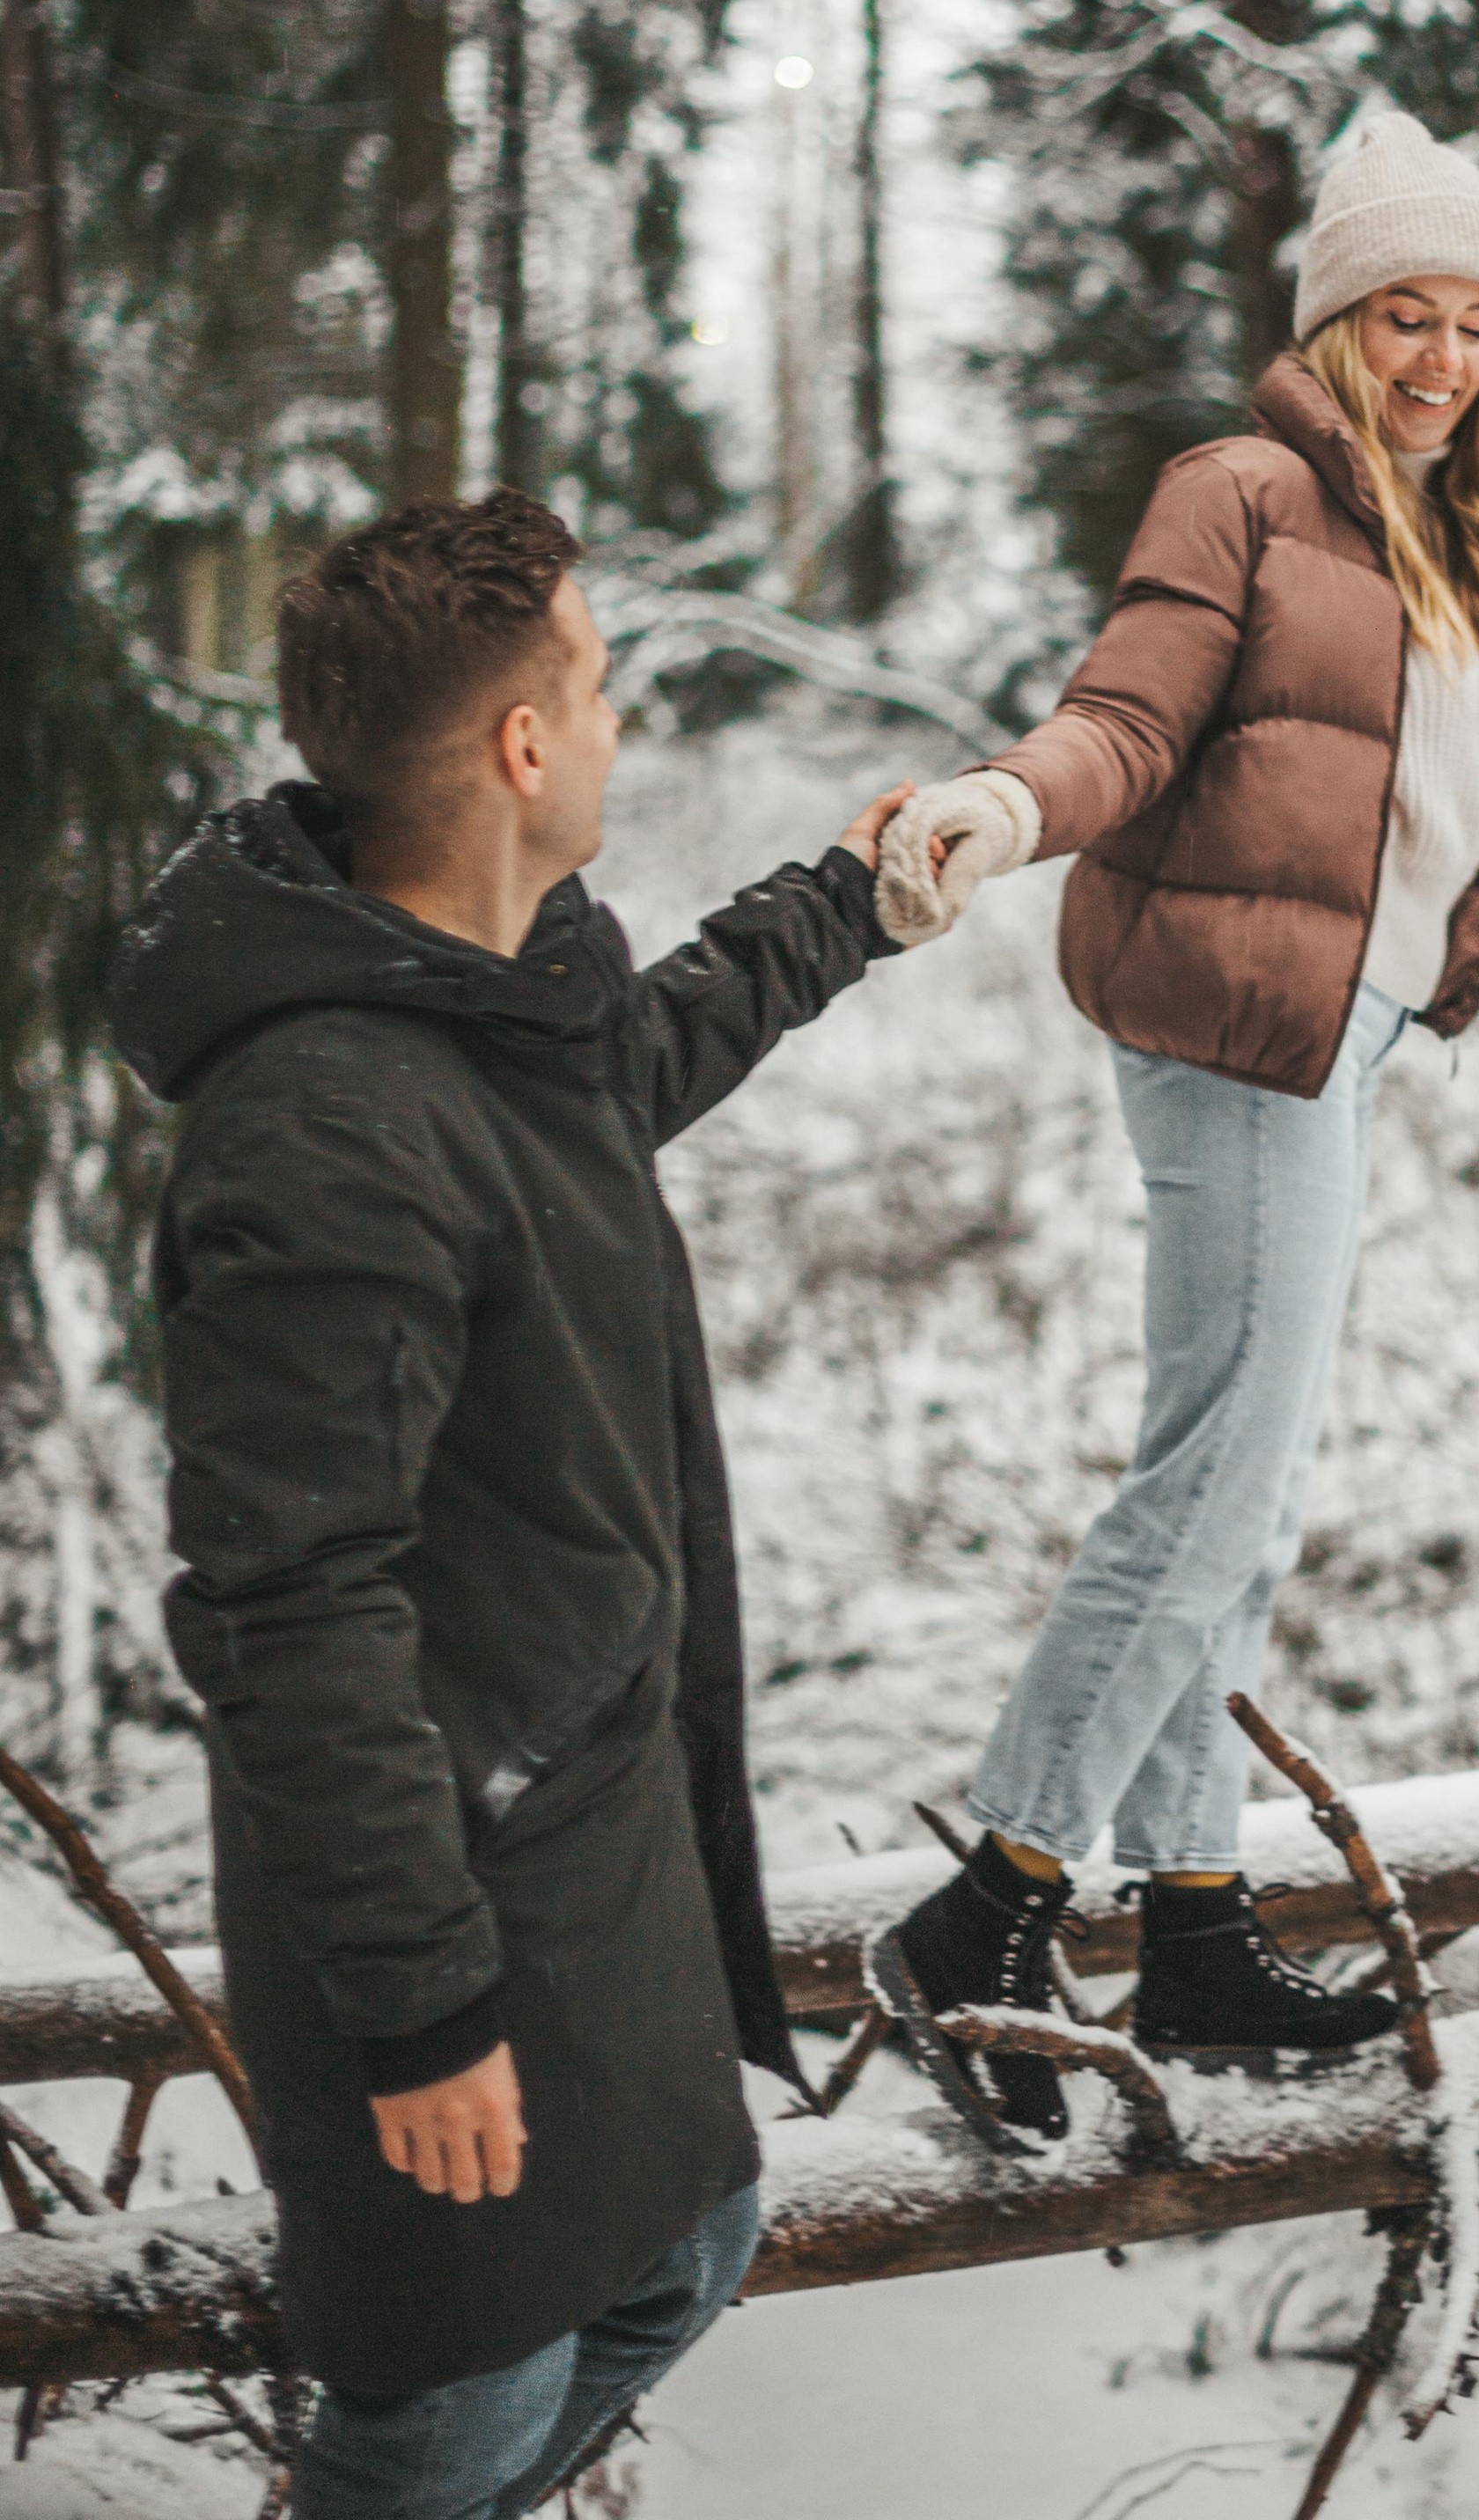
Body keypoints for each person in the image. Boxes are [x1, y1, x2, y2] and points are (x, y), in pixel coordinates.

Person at [870, 109, 1479, 2149]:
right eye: (1397, 317)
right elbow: (1133, 713)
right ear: (1330, 323)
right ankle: (989, 1905)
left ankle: (1186, 1924)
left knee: (1238, 1499)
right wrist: (1002, 807)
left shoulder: (1453, 538)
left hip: (1339, 1039)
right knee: (1203, 1487)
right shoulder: (1243, 489)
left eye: (1468, 323)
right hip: (1241, 1027)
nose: (1435, 359)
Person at [111, 489, 919, 2520]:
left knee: (683, 2253)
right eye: (598, 682)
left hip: (588, 1825)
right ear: (524, 748)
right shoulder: (317, 1122)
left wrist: (851, 901)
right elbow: (287, 1601)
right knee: (451, 2401)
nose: (619, 723)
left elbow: (620, 1065)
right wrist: (419, 2003)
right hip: (449, 1878)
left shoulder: (486, 996)